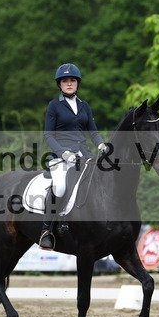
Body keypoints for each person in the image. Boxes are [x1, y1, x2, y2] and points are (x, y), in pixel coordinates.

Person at [39, 63, 108, 250]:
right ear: (59, 84)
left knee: (99, 182)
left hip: (84, 155)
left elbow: (93, 132)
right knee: (60, 186)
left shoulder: (84, 106)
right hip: (60, 156)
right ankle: (47, 231)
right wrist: (63, 153)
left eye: (72, 80)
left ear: (77, 83)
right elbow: (48, 135)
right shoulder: (54, 106)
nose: (69, 83)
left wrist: (101, 144)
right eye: (64, 81)